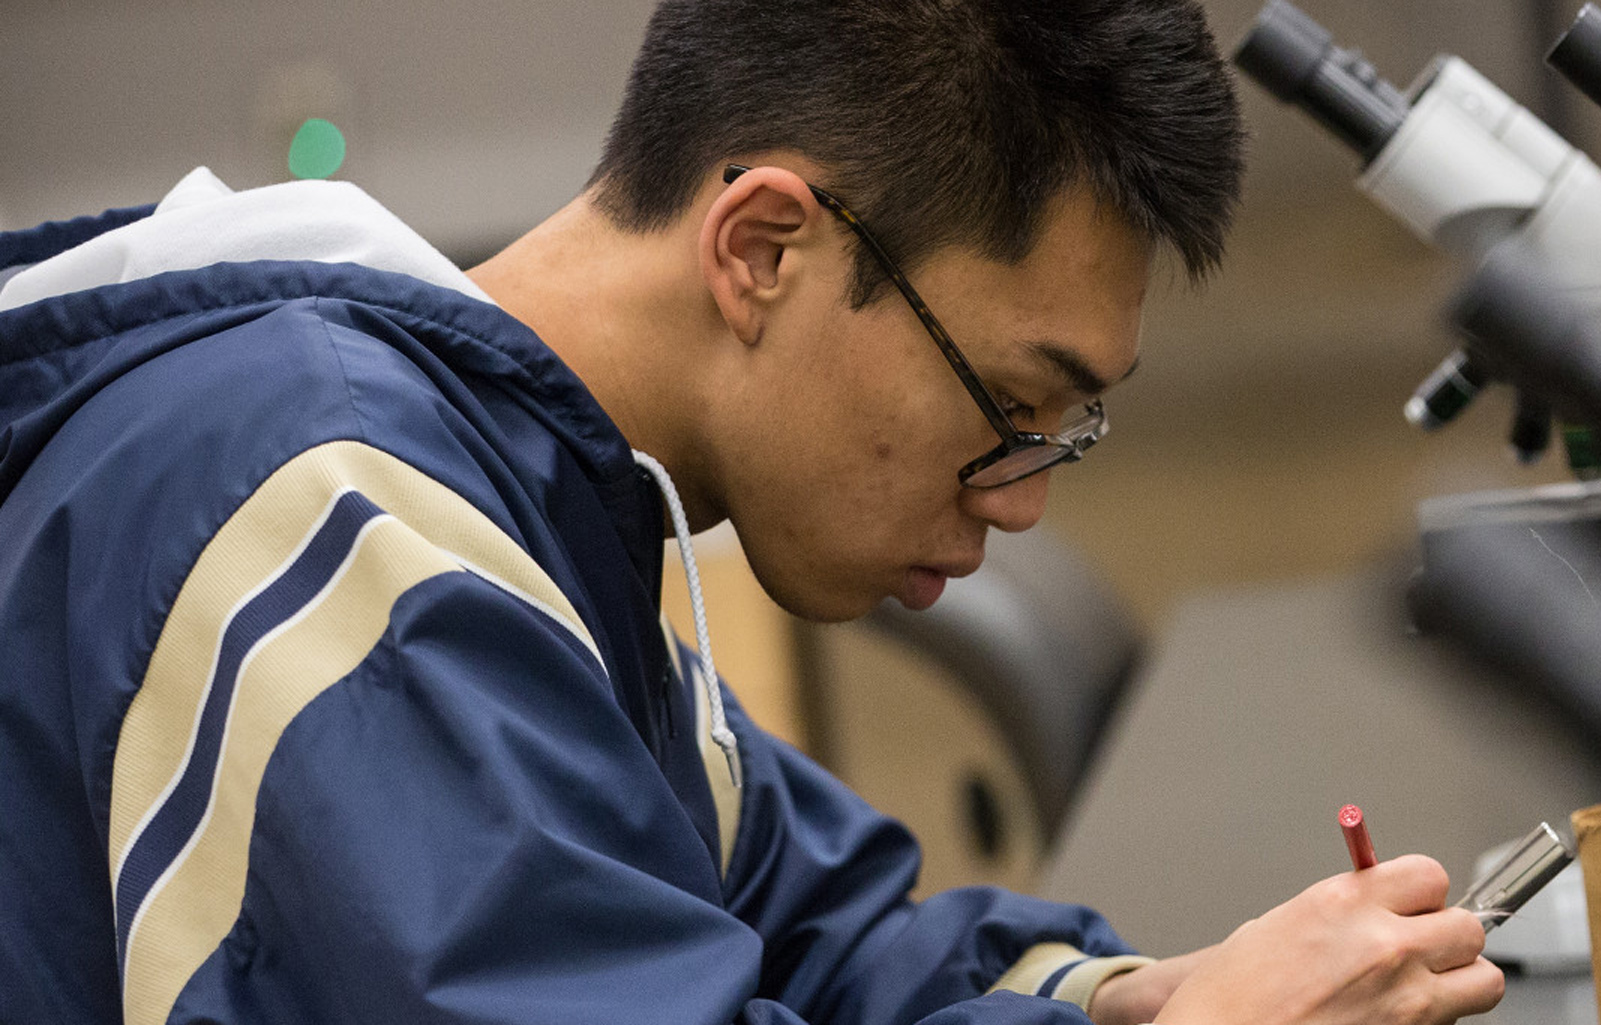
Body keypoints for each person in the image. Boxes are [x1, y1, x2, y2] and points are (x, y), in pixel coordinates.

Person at [0, 1, 1506, 1024]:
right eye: (1008, 407)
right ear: (766, 246)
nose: (1029, 502)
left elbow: (817, 929)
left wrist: (1137, 996)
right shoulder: (327, 521)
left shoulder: (542, 491)